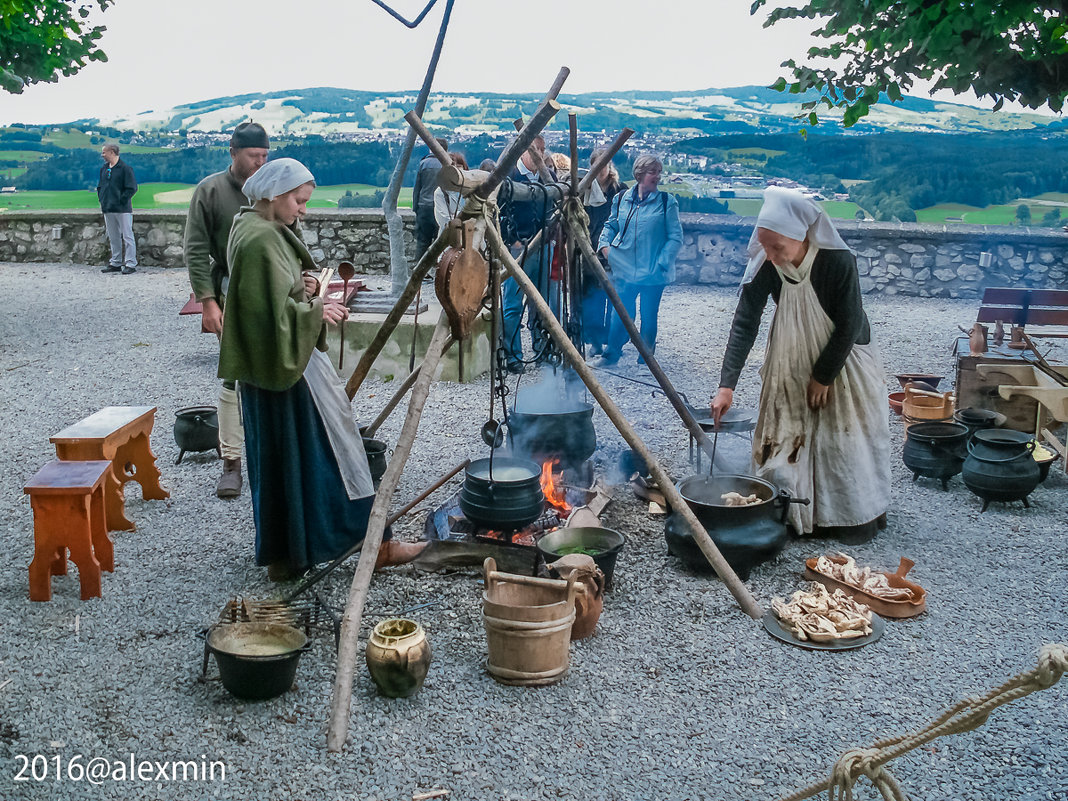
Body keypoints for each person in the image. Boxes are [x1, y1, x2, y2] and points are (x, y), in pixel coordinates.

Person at [218, 158, 424, 580]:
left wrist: (305, 287)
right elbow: (268, 319)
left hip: (271, 370)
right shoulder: (260, 240)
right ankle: (371, 545)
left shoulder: (252, 225)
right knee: (333, 450)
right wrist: (315, 309)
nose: (303, 210)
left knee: (285, 459)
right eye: (298, 200)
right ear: (275, 195)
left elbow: (273, 297)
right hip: (287, 369)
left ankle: (289, 554)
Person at [710, 186, 890, 543]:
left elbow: (850, 322)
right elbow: (746, 320)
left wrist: (823, 376)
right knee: (787, 433)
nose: (773, 257)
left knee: (843, 435)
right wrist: (727, 383)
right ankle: (791, 513)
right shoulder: (767, 262)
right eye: (766, 247)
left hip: (844, 359)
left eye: (779, 247)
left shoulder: (837, 261)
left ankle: (848, 515)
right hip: (790, 354)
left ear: (802, 235)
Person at [184, 121, 270, 499]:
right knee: (234, 377)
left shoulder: (271, 189)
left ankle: (274, 460)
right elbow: (195, 249)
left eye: (265, 156)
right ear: (233, 152)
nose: (260, 163)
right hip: (230, 293)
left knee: (278, 376)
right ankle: (232, 464)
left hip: (274, 295)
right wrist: (208, 301)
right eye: (254, 156)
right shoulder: (211, 190)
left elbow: (292, 239)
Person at [596, 155, 681, 365]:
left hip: (653, 271)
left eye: (659, 172)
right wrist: (605, 247)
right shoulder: (621, 199)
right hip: (626, 268)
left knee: (649, 314)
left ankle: (646, 359)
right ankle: (611, 355)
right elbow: (611, 225)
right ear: (640, 174)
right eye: (653, 172)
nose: (658, 177)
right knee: (621, 312)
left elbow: (675, 238)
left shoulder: (666, 202)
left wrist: (661, 262)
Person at [500, 135, 556, 373]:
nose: (540, 154)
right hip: (517, 249)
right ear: (523, 151)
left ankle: (542, 348)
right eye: (535, 149)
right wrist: (509, 241)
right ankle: (513, 356)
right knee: (512, 304)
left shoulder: (548, 177)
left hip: (543, 246)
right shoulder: (509, 176)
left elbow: (554, 210)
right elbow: (497, 212)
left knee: (543, 303)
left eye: (542, 149)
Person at [581, 149, 627, 356]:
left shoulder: (621, 190)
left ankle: (613, 341)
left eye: (604, 164)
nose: (600, 169)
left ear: (610, 167)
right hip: (589, 249)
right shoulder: (585, 190)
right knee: (593, 297)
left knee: (615, 298)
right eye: (596, 165)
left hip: (614, 250)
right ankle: (595, 341)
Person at [97, 143, 138, 274]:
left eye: (104, 152)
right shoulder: (104, 169)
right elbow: (100, 186)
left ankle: (131, 263)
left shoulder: (125, 169)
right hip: (108, 208)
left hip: (122, 209)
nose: (102, 155)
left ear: (112, 153)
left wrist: (121, 200)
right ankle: (115, 262)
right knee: (113, 236)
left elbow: (132, 188)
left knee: (127, 236)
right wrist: (102, 200)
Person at [412, 138, 448, 257]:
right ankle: (440, 269)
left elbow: (417, 188)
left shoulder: (423, 164)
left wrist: (415, 208)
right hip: (441, 208)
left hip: (424, 206)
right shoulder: (447, 164)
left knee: (423, 241)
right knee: (441, 242)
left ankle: (420, 271)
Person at [433, 152, 468, 234]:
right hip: (450, 239)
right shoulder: (440, 192)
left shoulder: (472, 189)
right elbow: (444, 220)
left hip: (473, 239)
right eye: (452, 167)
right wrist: (466, 216)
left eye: (459, 167)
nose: (456, 170)